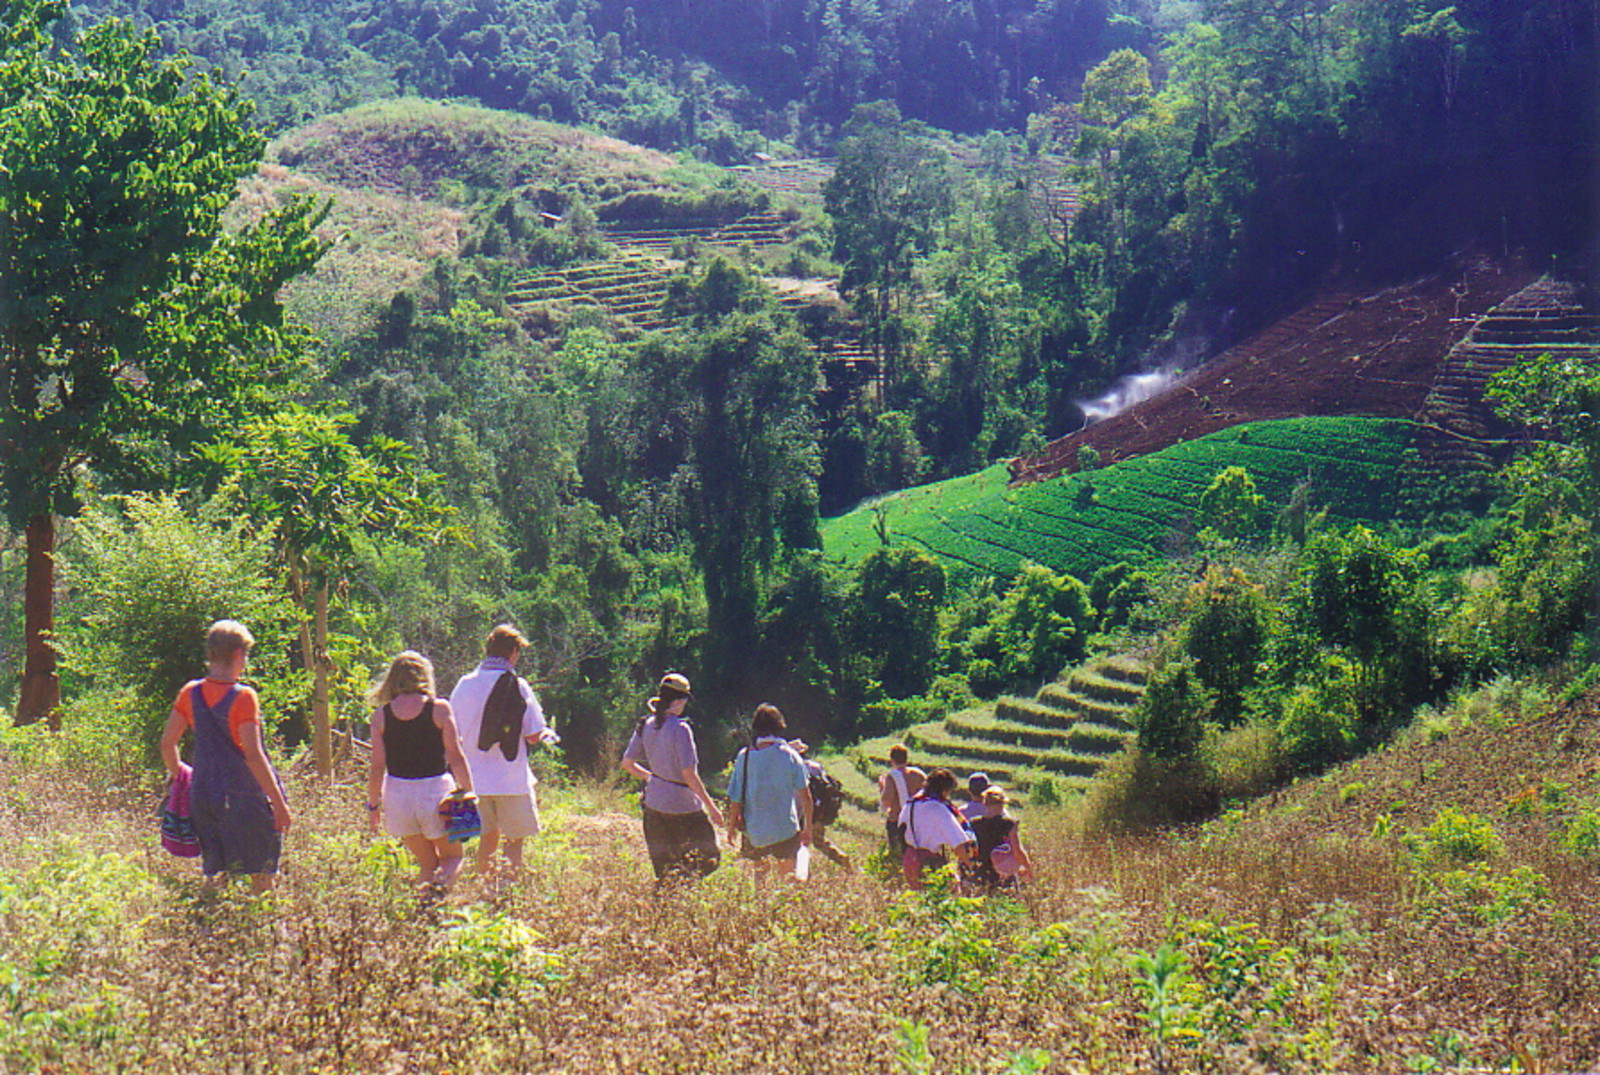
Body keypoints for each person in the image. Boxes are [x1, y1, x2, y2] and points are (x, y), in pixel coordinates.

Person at [160, 620, 292, 895]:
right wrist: (278, 804)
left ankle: (209, 928)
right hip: (243, 796)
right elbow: (253, 756)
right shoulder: (244, 696)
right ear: (236, 654)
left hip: (203, 794)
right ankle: (268, 932)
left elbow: (167, 743)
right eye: (245, 655)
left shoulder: (190, 692)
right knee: (261, 873)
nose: (245, 661)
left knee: (215, 872)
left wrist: (181, 774)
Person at [450, 624, 557, 882]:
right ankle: (507, 896)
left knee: (485, 841)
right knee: (513, 842)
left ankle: (485, 891)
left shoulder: (464, 684)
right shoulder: (518, 685)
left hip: (471, 780)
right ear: (512, 653)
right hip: (511, 780)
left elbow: (450, 732)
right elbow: (533, 734)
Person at [366, 651, 476, 893]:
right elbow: (456, 756)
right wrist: (469, 793)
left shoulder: (380, 716)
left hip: (396, 796)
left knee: (427, 864)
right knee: (452, 859)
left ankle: (423, 917)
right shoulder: (439, 709)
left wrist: (373, 805)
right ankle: (436, 903)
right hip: (436, 792)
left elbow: (377, 767)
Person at [621, 673, 725, 885]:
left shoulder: (646, 724)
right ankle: (684, 895)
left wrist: (651, 777)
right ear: (678, 701)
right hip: (682, 807)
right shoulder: (681, 728)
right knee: (708, 858)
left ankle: (666, 906)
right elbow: (689, 774)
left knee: (665, 868)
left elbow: (627, 764)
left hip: (653, 804)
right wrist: (712, 807)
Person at [726, 705, 813, 886]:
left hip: (755, 830)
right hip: (785, 828)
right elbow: (806, 797)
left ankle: (762, 911)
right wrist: (808, 829)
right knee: (788, 880)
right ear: (779, 726)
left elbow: (735, 798)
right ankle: (786, 911)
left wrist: (731, 827)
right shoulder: (790, 756)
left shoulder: (745, 756)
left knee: (760, 879)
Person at [899, 767, 974, 891]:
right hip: (930, 863)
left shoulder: (909, 804)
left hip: (910, 860)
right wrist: (971, 867)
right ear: (944, 790)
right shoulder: (938, 808)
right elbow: (959, 843)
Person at [793, 742, 852, 871]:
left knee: (796, 846)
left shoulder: (793, 768)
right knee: (820, 842)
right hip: (818, 812)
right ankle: (842, 859)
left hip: (800, 813)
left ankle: (801, 874)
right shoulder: (816, 766)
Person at [968, 787, 1034, 892]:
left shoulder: (974, 823)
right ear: (1002, 804)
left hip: (981, 872)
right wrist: (1028, 867)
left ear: (985, 803)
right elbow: (1018, 852)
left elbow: (970, 850)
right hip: (1004, 872)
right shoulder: (1009, 823)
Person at [879, 744, 925, 861]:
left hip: (898, 821)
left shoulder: (892, 776)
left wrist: (882, 787)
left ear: (892, 759)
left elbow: (887, 801)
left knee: (898, 856)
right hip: (918, 821)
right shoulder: (918, 774)